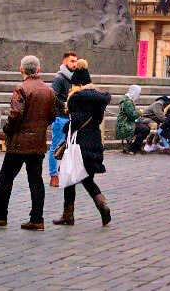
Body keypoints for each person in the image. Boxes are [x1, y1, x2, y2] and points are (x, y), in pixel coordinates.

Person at [0, 55, 56, 230]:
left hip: (18, 143)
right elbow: (52, 115)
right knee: (36, 180)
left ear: (21, 69)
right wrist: (39, 128)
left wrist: (8, 129)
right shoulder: (49, 91)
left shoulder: (21, 88)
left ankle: (0, 215)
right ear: (39, 70)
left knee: (6, 178)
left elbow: (15, 114)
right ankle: (37, 218)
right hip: (37, 142)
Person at [53, 60, 112, 226]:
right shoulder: (99, 99)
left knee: (71, 177)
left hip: (78, 144)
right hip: (94, 141)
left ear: (77, 84)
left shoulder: (77, 99)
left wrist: (66, 126)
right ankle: (101, 204)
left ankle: (69, 214)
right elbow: (97, 119)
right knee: (86, 178)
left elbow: (76, 121)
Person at [48, 51, 78, 187]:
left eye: (76, 61)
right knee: (55, 147)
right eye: (72, 61)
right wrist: (64, 105)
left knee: (69, 147)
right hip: (60, 118)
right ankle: (54, 175)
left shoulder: (74, 78)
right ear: (64, 62)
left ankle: (65, 173)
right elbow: (51, 95)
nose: (74, 64)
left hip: (71, 118)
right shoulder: (60, 78)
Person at [116, 84, 142, 154]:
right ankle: (133, 148)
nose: (138, 95)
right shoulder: (128, 102)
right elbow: (132, 115)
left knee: (144, 127)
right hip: (126, 124)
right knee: (145, 129)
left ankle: (134, 147)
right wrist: (140, 112)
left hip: (124, 122)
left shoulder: (126, 99)